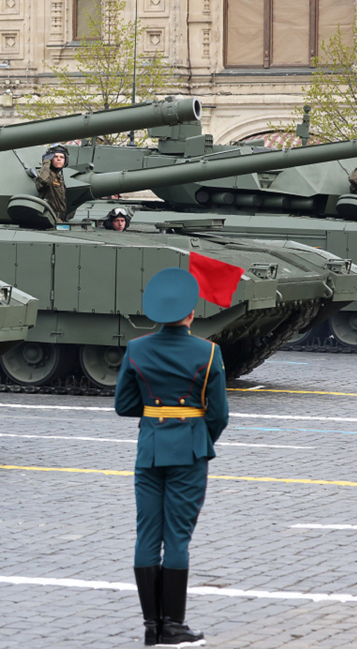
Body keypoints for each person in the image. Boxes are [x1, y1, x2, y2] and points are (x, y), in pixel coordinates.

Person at [115, 268, 228, 647]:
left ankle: (152, 626)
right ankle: (174, 625)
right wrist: (198, 437)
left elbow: (124, 405)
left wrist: (154, 418)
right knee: (177, 537)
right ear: (191, 313)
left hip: (149, 449)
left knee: (147, 534)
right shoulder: (208, 352)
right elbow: (219, 415)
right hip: (190, 450)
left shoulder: (137, 349)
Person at [34, 144, 69, 221]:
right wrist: (46, 163)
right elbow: (43, 181)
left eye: (62, 157)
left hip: (59, 219)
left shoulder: (59, 177)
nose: (59, 159)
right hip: (49, 217)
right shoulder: (46, 173)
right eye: (55, 157)